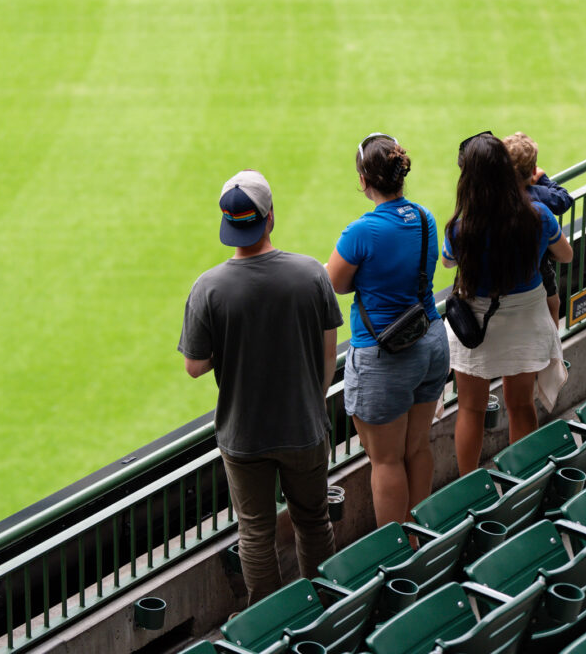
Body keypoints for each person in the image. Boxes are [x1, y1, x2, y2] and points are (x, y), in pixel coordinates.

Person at [178, 170, 342, 605]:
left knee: (254, 532)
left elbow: (195, 366)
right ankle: (324, 609)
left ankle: (267, 626)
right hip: (305, 427)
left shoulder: (208, 288)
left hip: (243, 435)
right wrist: (311, 401)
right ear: (270, 219)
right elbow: (330, 355)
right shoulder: (312, 274)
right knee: (314, 521)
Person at [326, 133, 449, 528]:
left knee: (386, 460)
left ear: (363, 179)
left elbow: (335, 283)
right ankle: (417, 537)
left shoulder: (360, 232)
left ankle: (395, 559)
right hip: (431, 341)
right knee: (416, 448)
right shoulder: (426, 218)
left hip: (385, 358)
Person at [442, 133, 573, 475]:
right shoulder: (539, 214)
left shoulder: (460, 226)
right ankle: (523, 482)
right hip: (526, 317)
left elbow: (447, 263)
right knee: (520, 404)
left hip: (476, 322)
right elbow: (566, 255)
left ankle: (468, 485)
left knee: (470, 409)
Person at [503, 132, 574, 327]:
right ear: (533, 170)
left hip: (503, 273)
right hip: (537, 268)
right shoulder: (538, 195)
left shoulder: (493, 197)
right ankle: (555, 352)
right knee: (553, 304)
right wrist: (543, 179)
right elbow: (564, 199)